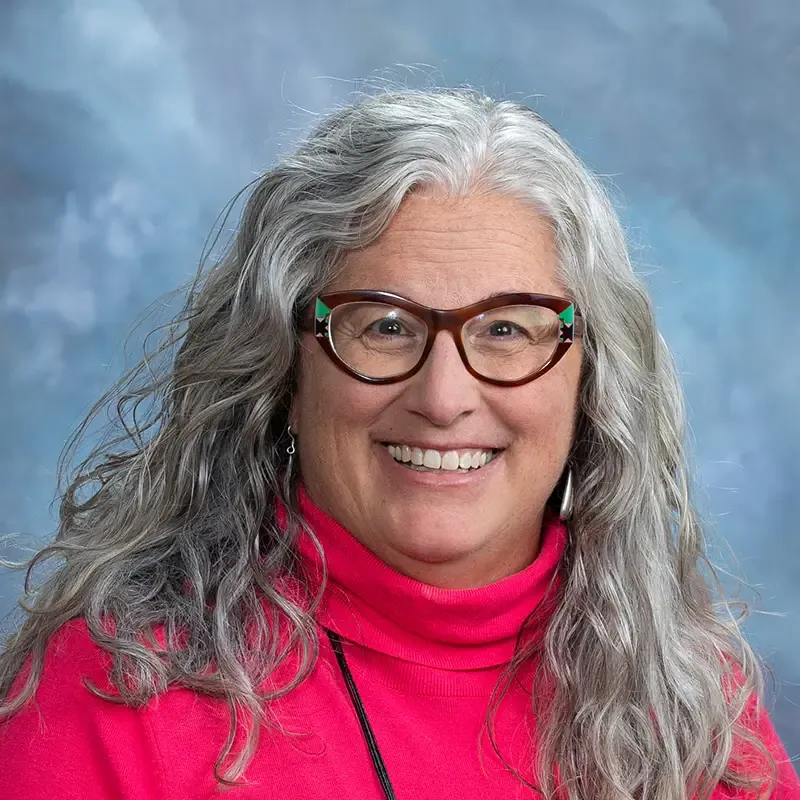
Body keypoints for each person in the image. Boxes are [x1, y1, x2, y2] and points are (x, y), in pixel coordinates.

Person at [0, 87, 797, 800]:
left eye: (507, 329)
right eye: (384, 326)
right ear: (284, 370)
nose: (444, 398)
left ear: (591, 384)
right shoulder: (116, 700)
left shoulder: (693, 706)